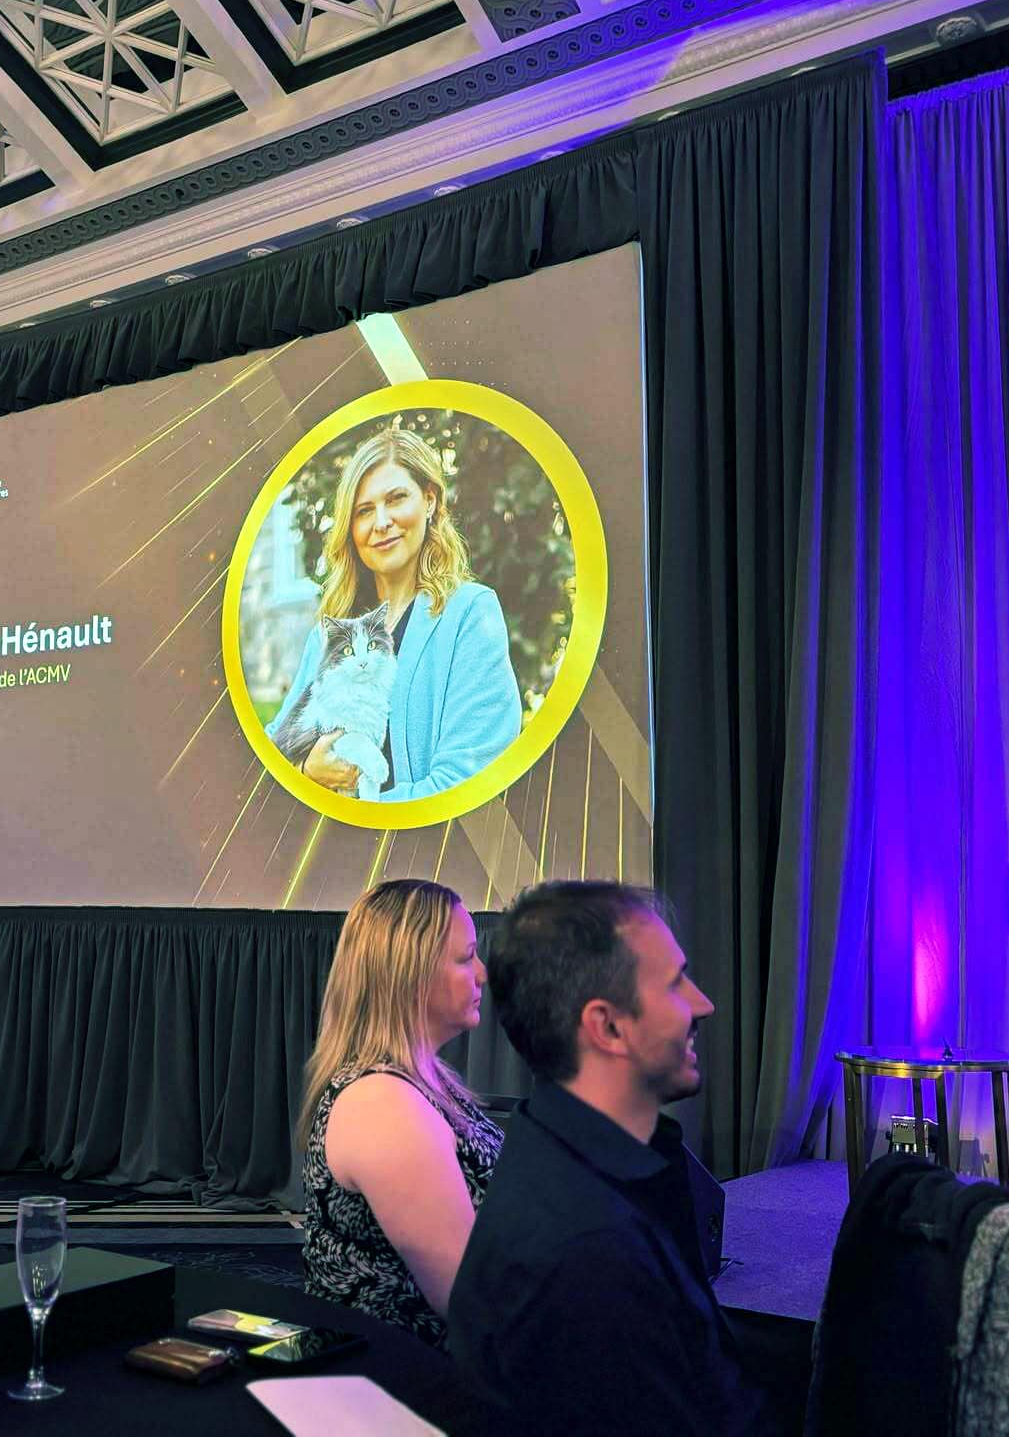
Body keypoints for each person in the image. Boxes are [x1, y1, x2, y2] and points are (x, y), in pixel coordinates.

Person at [447, 881, 758, 1432]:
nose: (703, 1005)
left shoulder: (557, 1148)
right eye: (675, 983)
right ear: (608, 1027)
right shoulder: (590, 1256)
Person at [299, 879, 501, 1344]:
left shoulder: (419, 1080)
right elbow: (474, 1301)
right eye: (466, 957)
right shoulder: (385, 1105)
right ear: (412, 976)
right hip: (407, 1374)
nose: (482, 973)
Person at [270, 426, 521, 801]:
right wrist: (307, 772)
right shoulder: (330, 636)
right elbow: (270, 760)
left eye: (396, 498)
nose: (381, 522)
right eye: (364, 511)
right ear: (350, 528)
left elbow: (466, 780)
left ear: (430, 501)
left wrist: (354, 818)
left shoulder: (468, 614)